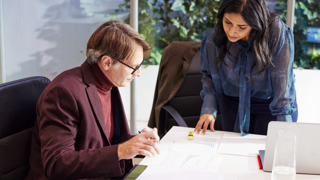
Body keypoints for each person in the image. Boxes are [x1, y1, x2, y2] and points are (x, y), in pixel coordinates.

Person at [25, 21, 160, 180]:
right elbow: (56, 163)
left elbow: (100, 143)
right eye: (134, 67)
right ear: (107, 62)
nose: (138, 74)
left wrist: (138, 143)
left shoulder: (109, 83)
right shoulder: (64, 92)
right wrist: (122, 151)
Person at [194, 0, 298, 136]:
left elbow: (282, 80)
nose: (232, 31)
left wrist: (285, 130)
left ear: (255, 23)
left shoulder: (276, 31)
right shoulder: (215, 36)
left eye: (241, 27)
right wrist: (209, 107)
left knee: (271, 153)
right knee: (233, 152)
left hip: (272, 106)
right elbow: (209, 75)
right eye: (228, 22)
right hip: (233, 104)